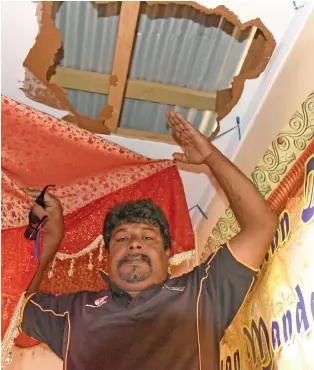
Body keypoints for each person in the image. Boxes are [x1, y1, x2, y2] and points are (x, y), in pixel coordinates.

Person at [20, 112, 278, 370]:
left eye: (147, 237)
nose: (134, 243)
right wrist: (52, 241)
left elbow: (261, 226)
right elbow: (18, 306)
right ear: (107, 256)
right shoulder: (74, 311)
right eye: (121, 238)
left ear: (168, 253)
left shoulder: (200, 294)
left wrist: (211, 158)